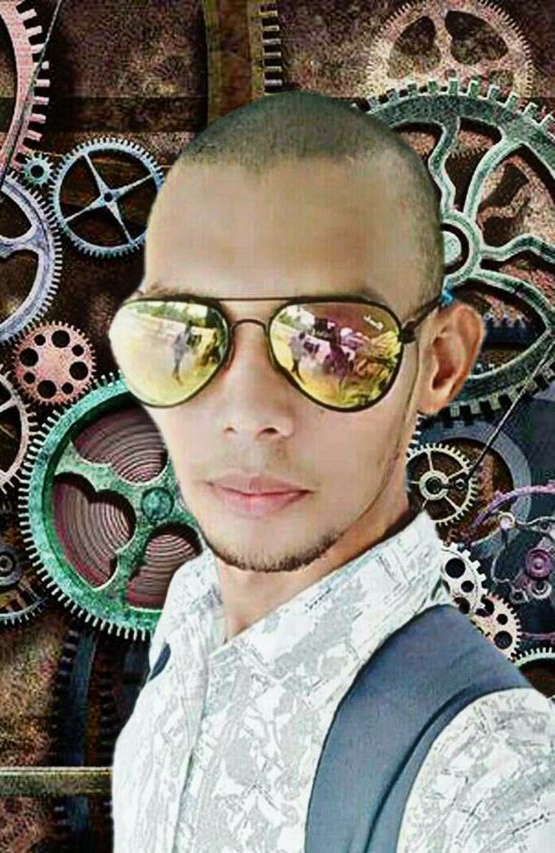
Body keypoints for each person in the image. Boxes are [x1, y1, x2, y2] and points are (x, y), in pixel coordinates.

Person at [108, 90, 555, 852]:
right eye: (183, 334)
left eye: (336, 343)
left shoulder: (497, 786)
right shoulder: (185, 639)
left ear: (441, 363)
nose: (247, 411)